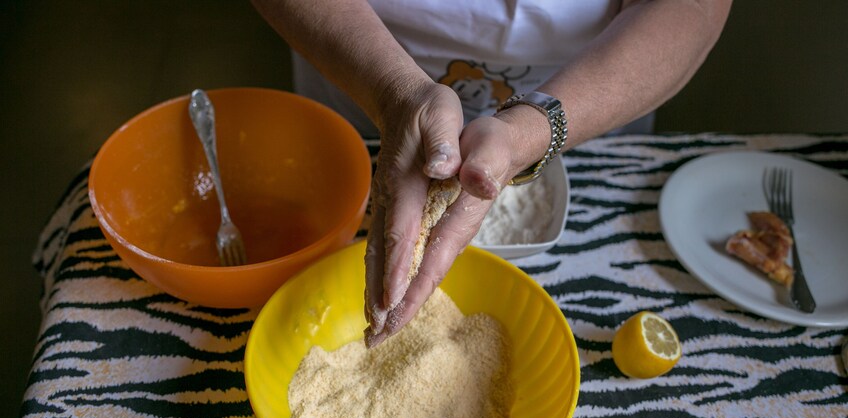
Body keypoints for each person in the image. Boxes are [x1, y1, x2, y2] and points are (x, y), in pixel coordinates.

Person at [251, 0, 732, 347]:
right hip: (362, 80)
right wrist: (393, 92)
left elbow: (691, 8)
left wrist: (529, 131)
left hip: (594, 107)